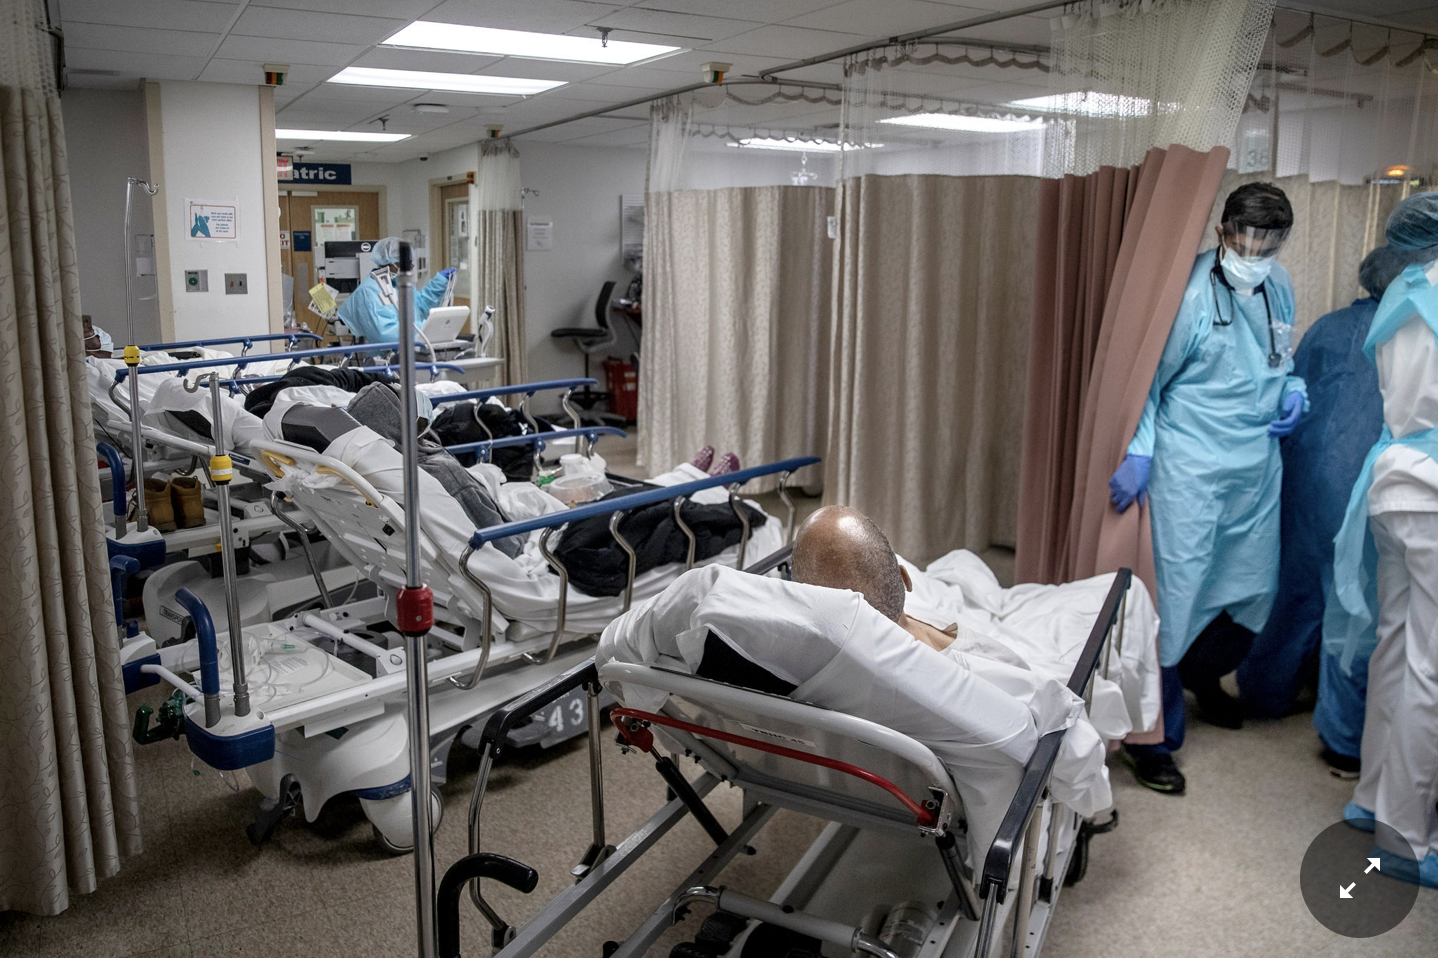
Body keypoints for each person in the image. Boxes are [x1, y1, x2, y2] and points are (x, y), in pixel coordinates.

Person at [1108, 182, 1304, 795]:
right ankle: (1154, 739)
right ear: (1222, 232)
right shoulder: (1188, 292)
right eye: (1247, 240)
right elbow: (1149, 382)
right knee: (1179, 599)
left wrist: (1295, 389)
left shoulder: (1279, 284)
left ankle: (1203, 673)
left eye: (1269, 243)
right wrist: (1140, 448)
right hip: (1189, 468)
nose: (1256, 253)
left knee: (1254, 590)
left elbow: (1282, 357)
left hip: (1257, 466)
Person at [1237, 247, 1417, 778]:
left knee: (1296, 592)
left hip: (1307, 477)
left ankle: (1263, 691)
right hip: (1362, 484)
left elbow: (1292, 389)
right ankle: (1343, 741)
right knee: (1354, 610)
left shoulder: (1329, 326)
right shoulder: (1410, 331)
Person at [1326, 192, 1438, 889]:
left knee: (1397, 647)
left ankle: (1371, 799)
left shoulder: (1404, 292)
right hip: (1433, 490)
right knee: (1431, 666)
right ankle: (1406, 839)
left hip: (1396, 481)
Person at [336, 236, 455, 343]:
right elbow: (386, 332)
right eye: (403, 264)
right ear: (388, 262)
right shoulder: (369, 291)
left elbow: (421, 307)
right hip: (383, 357)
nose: (408, 269)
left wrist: (439, 283)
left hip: (410, 349)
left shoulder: (398, 284)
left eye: (409, 264)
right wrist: (428, 328)